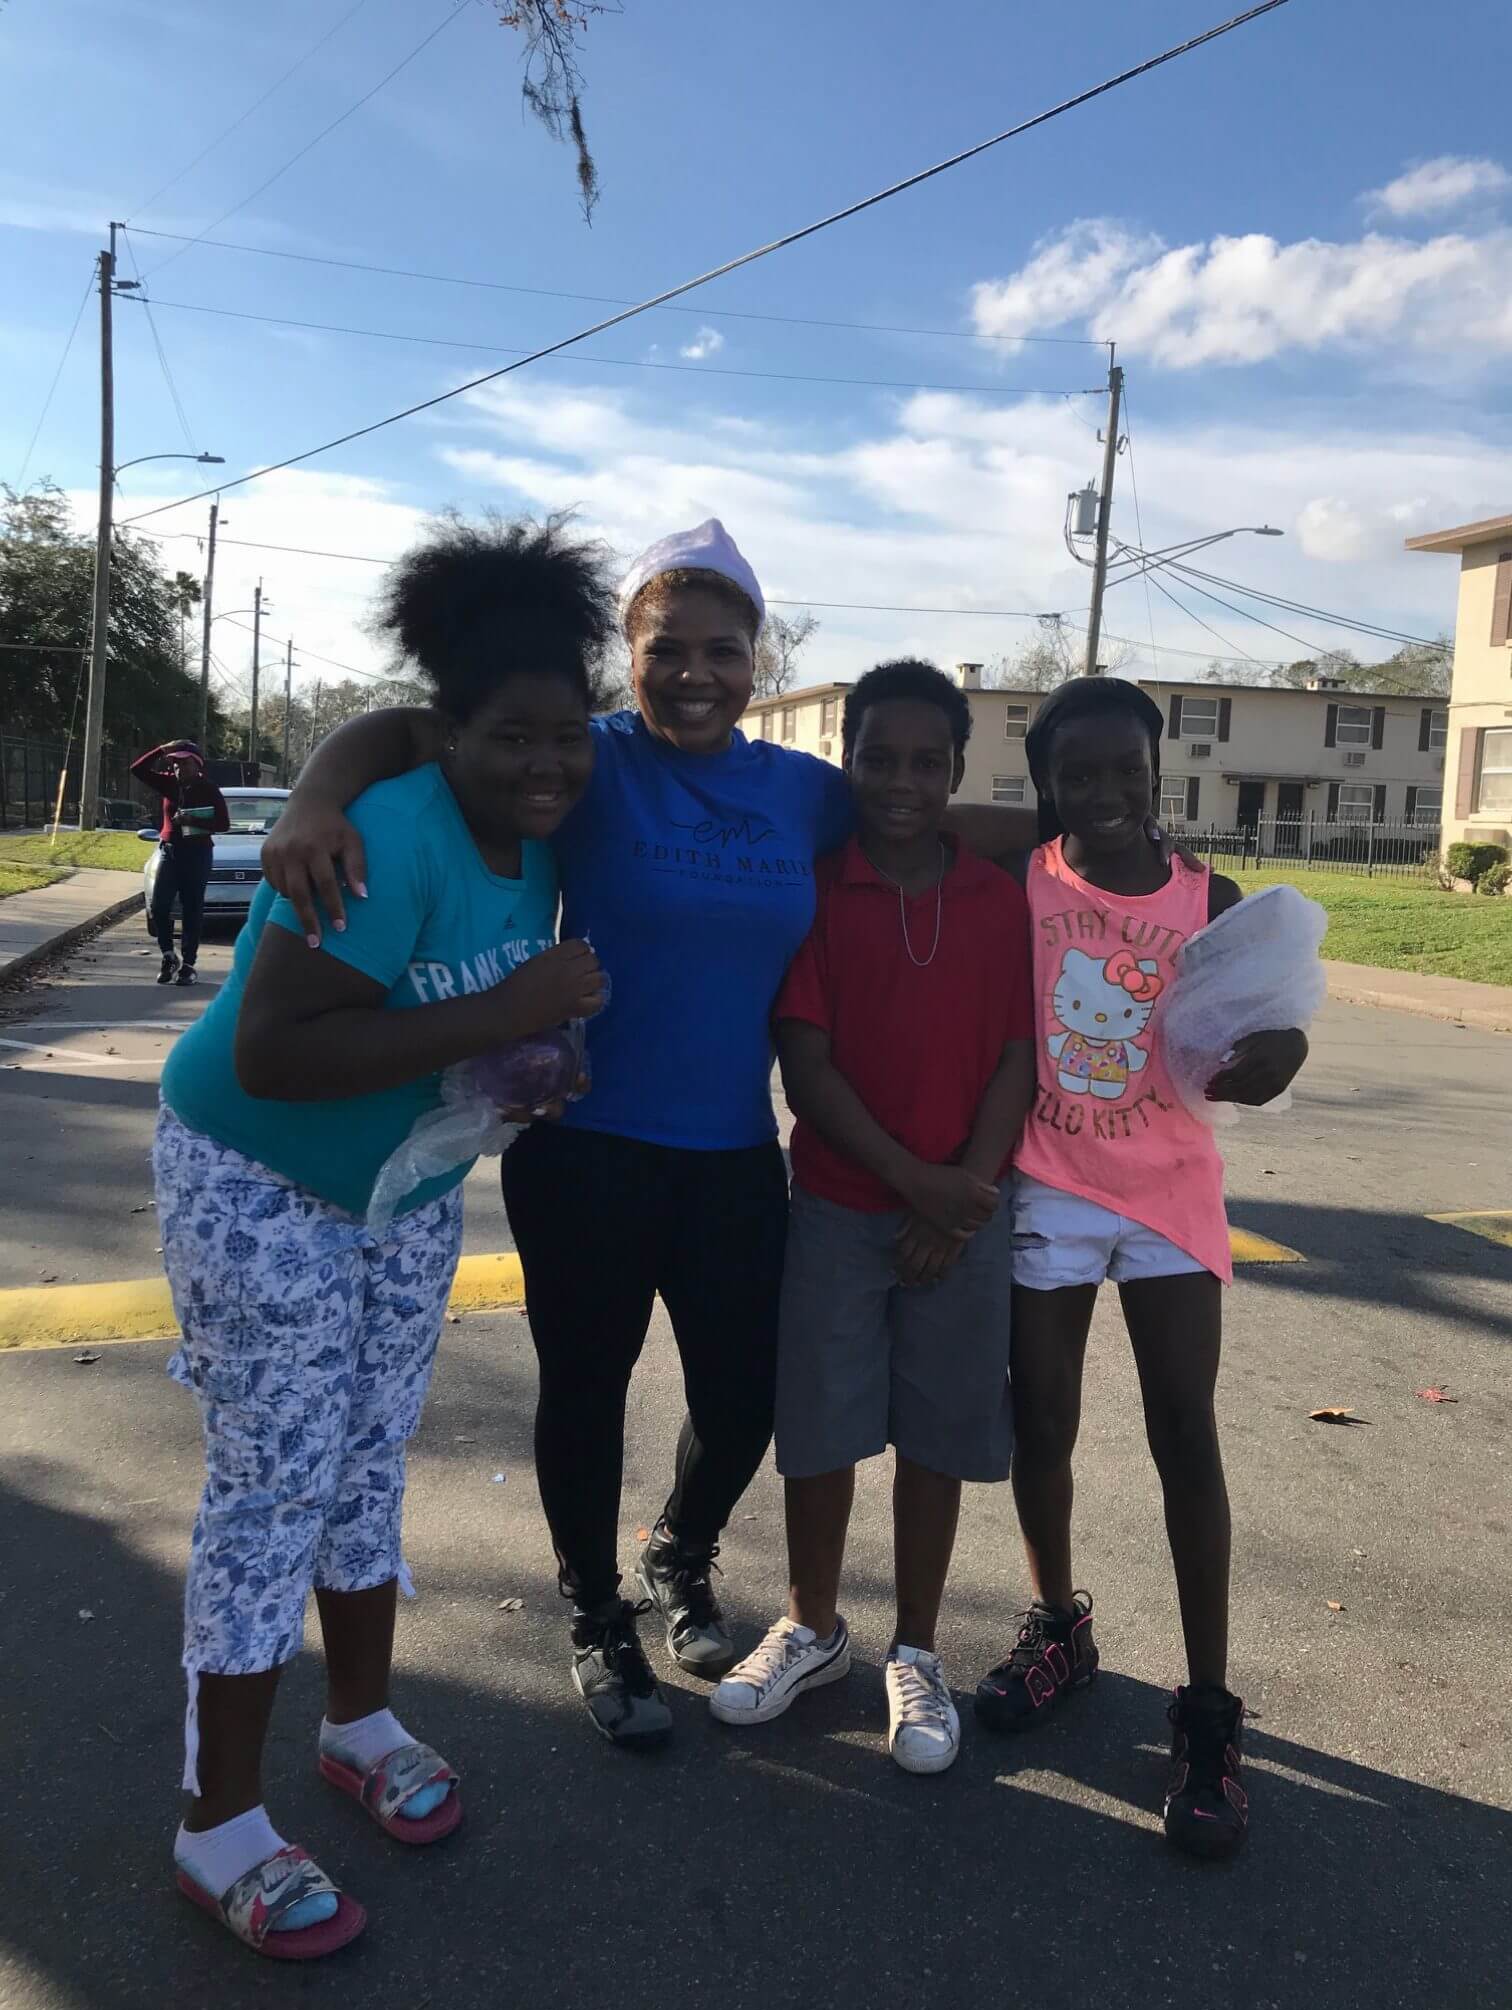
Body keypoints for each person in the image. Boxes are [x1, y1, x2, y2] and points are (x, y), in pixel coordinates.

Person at [261, 520, 1059, 1751]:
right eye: (667, 649)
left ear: (758, 658)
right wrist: (315, 796)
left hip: (732, 1151)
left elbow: (944, 820)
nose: (695, 673)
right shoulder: (584, 757)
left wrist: (1135, 857)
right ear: (627, 656)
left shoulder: (803, 792)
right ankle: (597, 1611)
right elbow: (408, 732)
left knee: (746, 1398)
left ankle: (679, 1550)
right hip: (586, 1146)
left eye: (723, 650)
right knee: (586, 1390)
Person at [153, 516, 610, 1960]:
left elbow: (459, 1006)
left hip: (403, 1189)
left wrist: (523, 1064)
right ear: (448, 731)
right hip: (257, 1173)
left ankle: (358, 1722)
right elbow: (278, 1048)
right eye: (510, 736)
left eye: (568, 735)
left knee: (366, 1458)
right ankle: (217, 1821)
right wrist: (507, 1012)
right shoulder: (386, 833)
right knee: (273, 1483)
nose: (545, 763)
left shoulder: (542, 829)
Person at [970, 676, 1308, 1859]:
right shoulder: (1019, 876)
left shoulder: (1210, 897)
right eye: (1079, 773)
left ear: (1159, 771)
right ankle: (1059, 1625)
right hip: (1053, 1181)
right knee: (1042, 1419)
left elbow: (1271, 1023)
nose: (1106, 792)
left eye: (1127, 770)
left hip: (1168, 1190)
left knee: (1183, 1433)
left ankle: (1208, 1707)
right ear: (1045, 782)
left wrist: (1281, 1049)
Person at [709, 662, 1035, 1775]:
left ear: (957, 770)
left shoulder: (995, 899)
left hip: (965, 1212)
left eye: (927, 761)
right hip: (844, 1207)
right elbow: (807, 1063)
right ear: (846, 762)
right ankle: (812, 1625)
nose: (902, 781)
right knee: (821, 1423)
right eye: (879, 758)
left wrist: (966, 1190)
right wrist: (912, 1181)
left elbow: (1017, 1055)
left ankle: (918, 1648)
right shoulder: (822, 888)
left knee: (938, 1433)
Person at [130, 738, 230, 985]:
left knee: (192, 909)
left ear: (197, 765)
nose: (178, 768)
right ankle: (168, 955)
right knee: (159, 907)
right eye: (175, 764)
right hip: (170, 852)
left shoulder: (209, 789)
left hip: (197, 854)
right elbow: (137, 770)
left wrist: (192, 821)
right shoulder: (168, 784)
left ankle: (188, 964)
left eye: (184, 764)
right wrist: (161, 750)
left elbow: (223, 824)